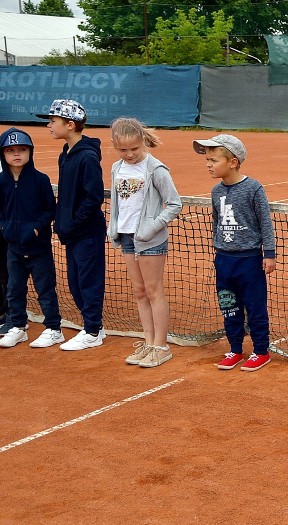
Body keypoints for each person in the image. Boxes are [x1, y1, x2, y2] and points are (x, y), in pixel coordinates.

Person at [192, 134, 276, 372]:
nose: (208, 164)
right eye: (207, 160)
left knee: (255, 307)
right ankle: (235, 349)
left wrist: (269, 254)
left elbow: (265, 224)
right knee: (229, 306)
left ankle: (261, 351)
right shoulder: (216, 191)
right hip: (224, 260)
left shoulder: (253, 188)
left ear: (233, 162)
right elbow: (216, 221)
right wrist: (218, 248)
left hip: (249, 260)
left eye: (213, 160)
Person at [107, 118, 183, 367]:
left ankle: (161, 346)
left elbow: (174, 204)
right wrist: (113, 226)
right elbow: (118, 204)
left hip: (150, 239)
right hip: (127, 237)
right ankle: (148, 341)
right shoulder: (116, 168)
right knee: (139, 291)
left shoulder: (156, 169)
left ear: (143, 143)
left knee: (153, 290)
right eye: (123, 150)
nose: (129, 154)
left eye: (134, 149)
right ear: (115, 147)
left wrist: (152, 227)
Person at [35, 99, 107, 351]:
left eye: (53, 121)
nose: (49, 125)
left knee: (89, 282)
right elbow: (66, 195)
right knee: (76, 283)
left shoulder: (86, 157)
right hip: (72, 233)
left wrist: (73, 224)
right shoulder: (65, 154)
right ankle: (94, 325)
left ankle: (93, 330)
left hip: (86, 233)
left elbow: (93, 197)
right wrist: (61, 222)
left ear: (70, 124)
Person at [0, 128, 64, 349]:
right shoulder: (1, 181)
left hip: (39, 249)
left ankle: (54, 329)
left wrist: (36, 228)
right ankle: (18, 326)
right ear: (3, 155)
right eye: (10, 150)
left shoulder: (40, 180)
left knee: (45, 289)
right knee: (14, 288)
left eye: (22, 149)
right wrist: (4, 227)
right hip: (14, 248)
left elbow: (49, 209)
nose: (16, 154)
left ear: (30, 152)